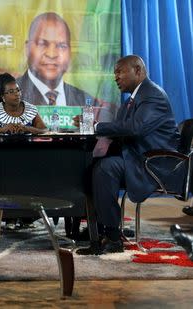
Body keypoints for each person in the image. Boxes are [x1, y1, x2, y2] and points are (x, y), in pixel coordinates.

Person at [76, 55, 181, 255]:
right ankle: (96, 228)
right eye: (115, 72)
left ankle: (113, 237)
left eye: (120, 71)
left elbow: (135, 128)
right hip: (138, 158)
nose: (116, 77)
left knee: (105, 169)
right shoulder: (132, 101)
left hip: (155, 163)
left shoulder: (152, 95)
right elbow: (122, 133)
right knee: (92, 165)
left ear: (138, 71)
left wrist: (96, 126)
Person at [0, 12, 96, 108]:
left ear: (70, 52)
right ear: (27, 48)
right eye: (42, 44)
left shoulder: (87, 102)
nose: (52, 54)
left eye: (61, 46)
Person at [0, 73, 46, 229]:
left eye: (18, 90)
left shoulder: (30, 109)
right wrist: (3, 129)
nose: (17, 94)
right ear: (2, 96)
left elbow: (45, 130)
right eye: (11, 91)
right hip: (2, 158)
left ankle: (27, 216)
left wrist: (27, 128)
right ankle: (9, 217)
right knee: (6, 174)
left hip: (28, 157)